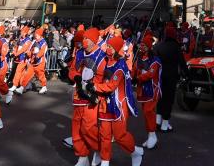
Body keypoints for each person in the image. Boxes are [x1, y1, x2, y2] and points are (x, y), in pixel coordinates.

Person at [94, 35, 143, 166]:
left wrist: (94, 87)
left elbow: (111, 86)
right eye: (107, 46)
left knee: (120, 135)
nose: (107, 48)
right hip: (105, 103)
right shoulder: (105, 60)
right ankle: (105, 161)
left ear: (116, 49)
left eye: (110, 46)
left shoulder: (120, 66)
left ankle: (135, 152)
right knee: (104, 135)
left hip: (119, 105)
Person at [68, 27, 104, 166]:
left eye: (86, 38)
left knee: (88, 128)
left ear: (93, 41)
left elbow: (104, 76)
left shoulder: (101, 55)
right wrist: (76, 77)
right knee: (76, 128)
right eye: (83, 38)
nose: (83, 41)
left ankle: (99, 150)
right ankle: (82, 157)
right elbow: (72, 70)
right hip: (78, 95)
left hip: (92, 97)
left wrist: (93, 85)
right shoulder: (80, 53)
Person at [155, 23, 186, 132]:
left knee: (160, 98)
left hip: (159, 76)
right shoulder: (176, 47)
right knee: (168, 100)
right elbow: (182, 63)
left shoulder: (159, 45)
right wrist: (186, 74)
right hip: (171, 76)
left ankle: (157, 121)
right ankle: (165, 124)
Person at [133, 32, 161, 148]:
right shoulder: (139, 58)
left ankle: (153, 135)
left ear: (149, 47)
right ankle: (150, 135)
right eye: (141, 45)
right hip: (143, 90)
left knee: (149, 112)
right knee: (146, 113)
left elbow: (151, 74)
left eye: (144, 45)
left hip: (152, 89)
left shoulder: (155, 60)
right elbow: (134, 69)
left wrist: (137, 78)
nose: (141, 47)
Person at [16, 27, 49, 94]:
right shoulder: (34, 41)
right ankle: (21, 88)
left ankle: (44, 87)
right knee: (27, 75)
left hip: (40, 62)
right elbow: (30, 49)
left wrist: (37, 55)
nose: (35, 35)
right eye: (35, 34)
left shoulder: (43, 43)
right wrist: (28, 53)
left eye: (36, 34)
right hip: (32, 61)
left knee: (40, 75)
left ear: (40, 34)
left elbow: (43, 51)